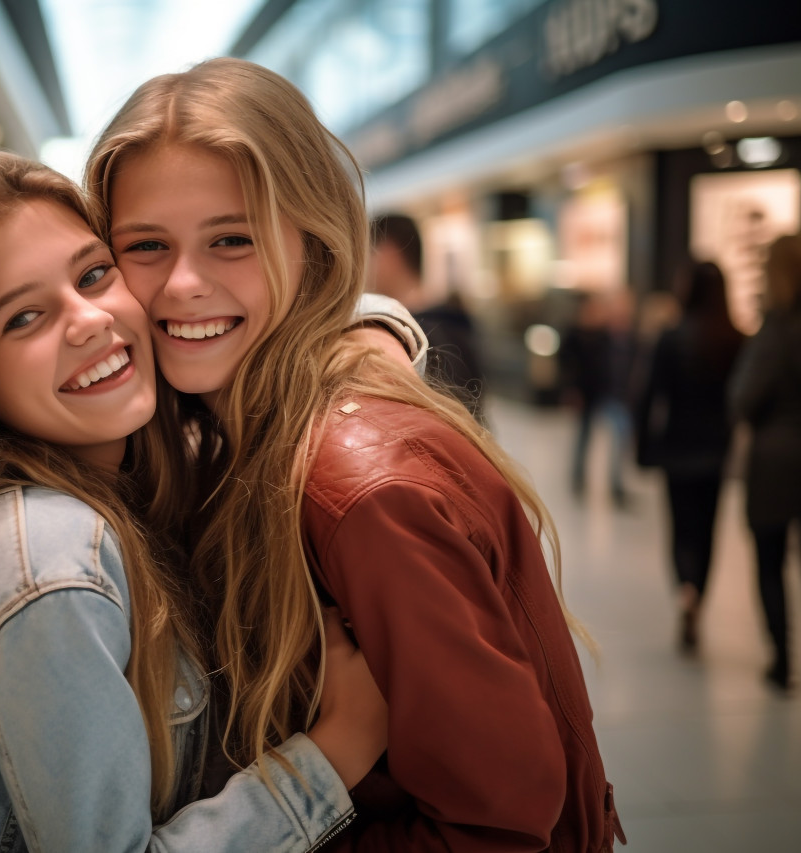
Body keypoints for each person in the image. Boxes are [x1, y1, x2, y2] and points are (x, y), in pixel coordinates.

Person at [87, 57, 622, 851]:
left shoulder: (360, 488)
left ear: (314, 243)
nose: (182, 284)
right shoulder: (234, 425)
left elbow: (498, 826)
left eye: (232, 238)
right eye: (146, 245)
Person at [0, 149, 390, 852]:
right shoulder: (49, 558)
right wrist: (334, 753)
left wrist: (374, 330)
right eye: (23, 318)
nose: (87, 321)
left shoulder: (117, 478)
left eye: (94, 274)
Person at [635, 261, 743, 653]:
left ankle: (685, 590)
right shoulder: (734, 338)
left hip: (677, 447)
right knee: (707, 530)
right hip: (716, 449)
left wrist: (643, 447)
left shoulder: (671, 337)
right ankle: (699, 591)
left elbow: (649, 396)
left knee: (681, 528)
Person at [729, 233, 801, 693]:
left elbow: (744, 397)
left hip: (777, 459)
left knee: (771, 560)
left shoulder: (776, 329)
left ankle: (782, 659)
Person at [369, 213, 486, 419]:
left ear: (389, 254)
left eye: (370, 254)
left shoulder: (417, 336)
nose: (365, 267)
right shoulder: (452, 323)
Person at [561, 288, 638, 507]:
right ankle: (578, 479)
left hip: (611, 395)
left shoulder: (612, 335)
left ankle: (616, 486)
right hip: (590, 395)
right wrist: (573, 389)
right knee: (583, 438)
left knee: (619, 440)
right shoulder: (580, 334)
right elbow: (570, 364)